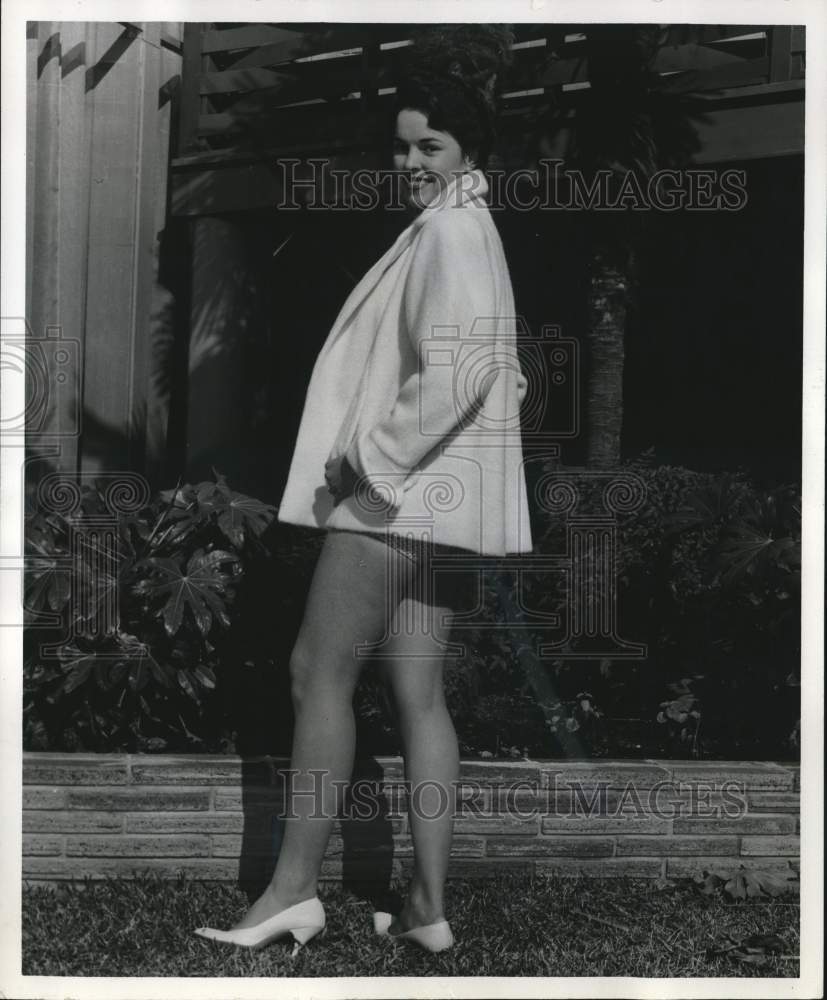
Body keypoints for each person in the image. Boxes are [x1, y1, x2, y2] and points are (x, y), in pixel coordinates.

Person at [195, 50, 531, 956]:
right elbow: (501, 371)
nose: (412, 162)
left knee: (316, 672)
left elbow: (459, 370)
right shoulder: (471, 231)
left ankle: (291, 892)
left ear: (471, 152)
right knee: (418, 693)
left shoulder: (451, 236)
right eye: (401, 148)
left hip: (396, 499)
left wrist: (369, 461)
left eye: (432, 145)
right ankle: (424, 905)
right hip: (439, 503)